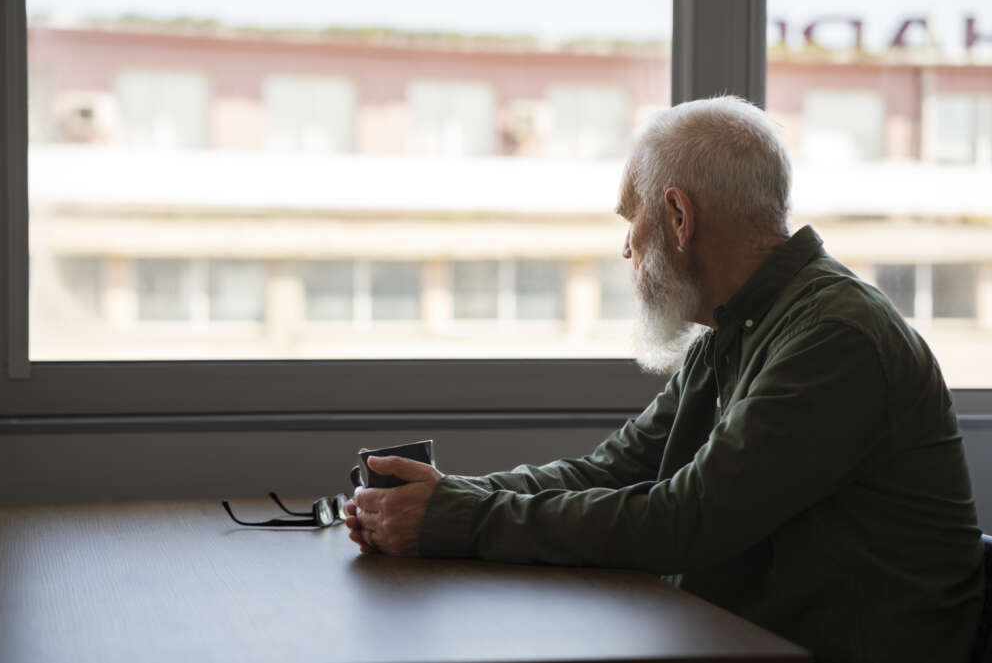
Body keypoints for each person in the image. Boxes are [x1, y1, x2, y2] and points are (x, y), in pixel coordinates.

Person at [343, 95, 984, 663]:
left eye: (632, 218)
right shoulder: (735, 330)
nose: (627, 248)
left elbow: (686, 520)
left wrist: (462, 518)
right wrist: (448, 496)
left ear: (679, 217)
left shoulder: (835, 338)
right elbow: (613, 470)